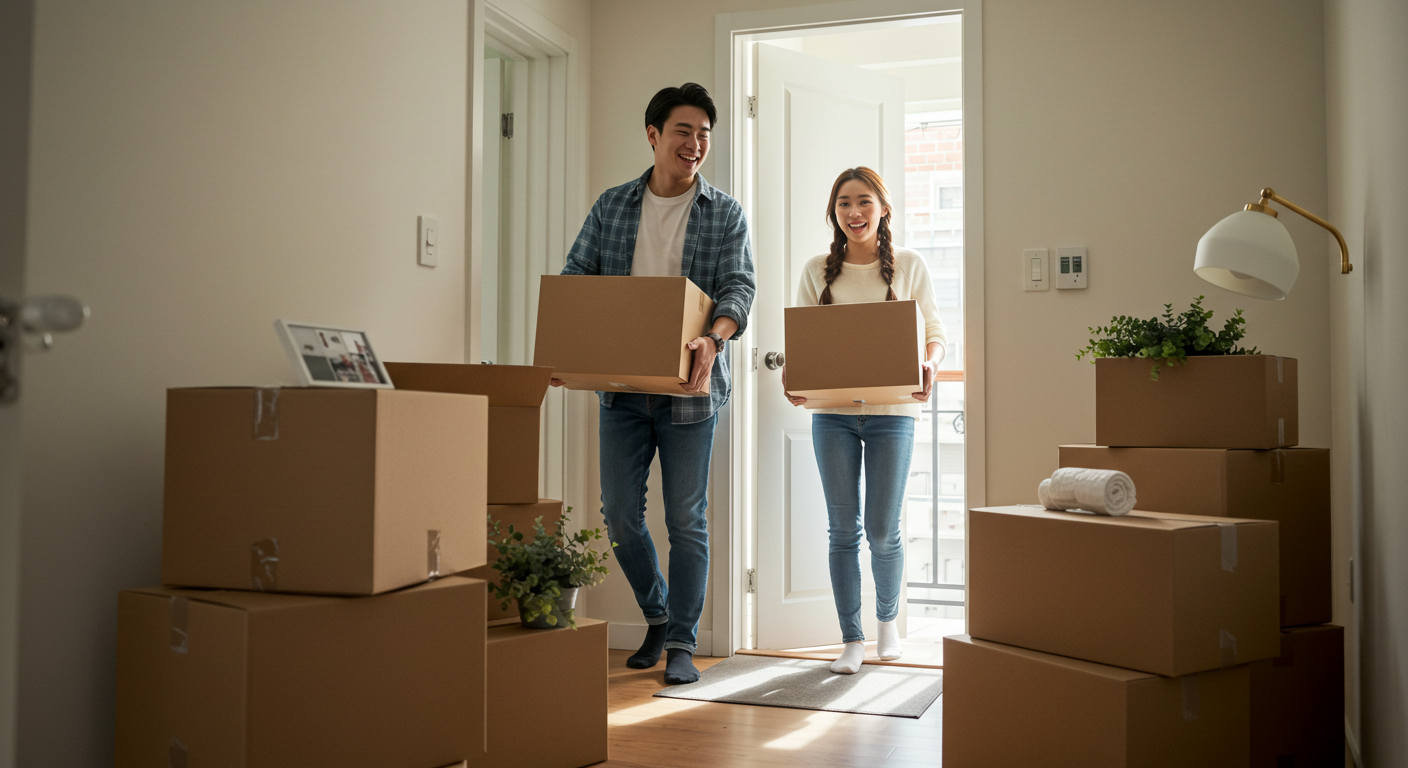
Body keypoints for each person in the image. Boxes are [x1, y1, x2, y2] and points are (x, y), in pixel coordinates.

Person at [554, 83, 755, 685]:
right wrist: (570, 346)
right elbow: (575, 279)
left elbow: (738, 289)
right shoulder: (613, 206)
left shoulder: (725, 212)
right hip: (622, 390)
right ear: (653, 135)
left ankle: (683, 645)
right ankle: (659, 614)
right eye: (682, 131)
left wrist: (712, 339)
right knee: (618, 515)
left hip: (691, 390)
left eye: (704, 134)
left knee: (687, 520)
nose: (695, 144)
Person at [783, 167, 947, 674]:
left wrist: (931, 365)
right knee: (841, 530)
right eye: (844, 204)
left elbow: (936, 332)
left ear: (883, 209)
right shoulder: (817, 270)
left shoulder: (911, 267)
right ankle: (851, 639)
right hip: (831, 415)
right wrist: (793, 374)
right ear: (834, 212)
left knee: (882, 531)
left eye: (864, 203)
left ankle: (886, 626)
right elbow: (805, 341)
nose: (854, 213)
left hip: (893, 414)